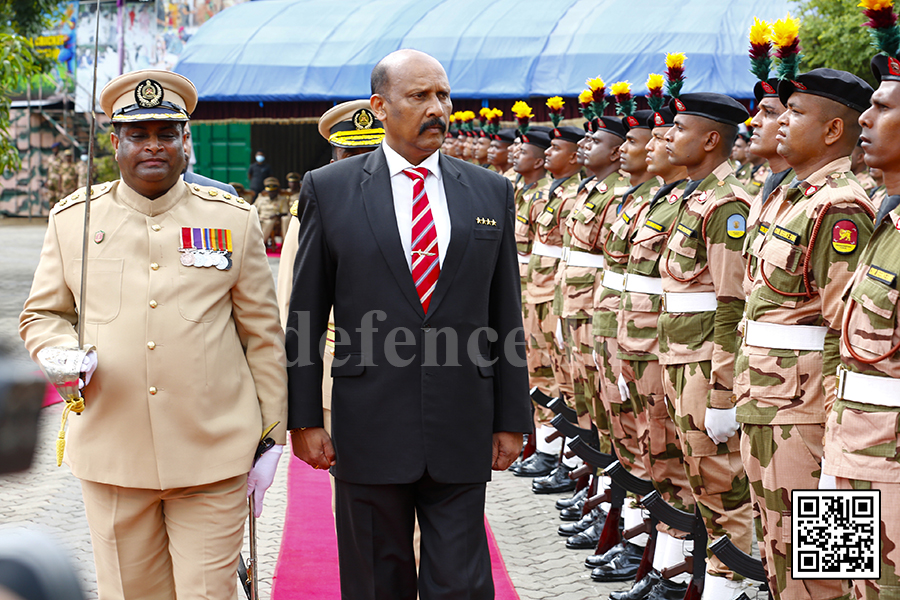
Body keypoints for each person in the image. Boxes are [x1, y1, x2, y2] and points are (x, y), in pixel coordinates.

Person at [19, 69, 287, 600]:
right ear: (115, 143)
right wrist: (60, 353)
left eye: (167, 133)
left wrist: (270, 437)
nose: (153, 146)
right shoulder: (73, 220)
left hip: (212, 453)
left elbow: (262, 335)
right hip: (113, 452)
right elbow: (43, 314)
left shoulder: (232, 219)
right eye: (138, 134)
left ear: (186, 141)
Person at [285, 49, 531, 600]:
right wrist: (303, 418)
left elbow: (504, 312)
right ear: (379, 106)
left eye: (442, 95)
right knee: (377, 582)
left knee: (462, 586)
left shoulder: (490, 192)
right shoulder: (331, 189)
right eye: (418, 96)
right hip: (367, 428)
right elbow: (305, 314)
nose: (436, 108)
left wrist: (512, 416)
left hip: (461, 427)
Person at [737, 68, 875, 600]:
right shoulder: (789, 197)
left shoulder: (839, 206)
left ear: (833, 131)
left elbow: (851, 334)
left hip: (810, 415)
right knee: (778, 556)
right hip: (770, 405)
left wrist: (840, 442)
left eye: (794, 114)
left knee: (823, 574)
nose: (777, 122)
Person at [658, 92, 754, 600]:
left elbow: (730, 301)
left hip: (706, 365)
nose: (668, 137)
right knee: (699, 477)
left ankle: (728, 586)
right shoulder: (694, 196)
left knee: (722, 484)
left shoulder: (726, 204)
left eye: (678, 127)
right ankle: (707, 578)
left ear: (711, 139)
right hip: (681, 358)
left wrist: (721, 389)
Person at [827, 47, 900, 600]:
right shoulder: (885, 219)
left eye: (880, 108)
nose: (865, 121)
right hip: (849, 440)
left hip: (890, 463)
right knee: (849, 588)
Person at [257, 176, 283, 246]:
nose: (271, 193)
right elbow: (254, 208)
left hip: (271, 220)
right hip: (260, 218)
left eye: (273, 191)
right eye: (270, 191)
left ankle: (260, 244)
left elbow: (284, 212)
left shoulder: (282, 199)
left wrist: (277, 215)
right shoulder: (261, 198)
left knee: (269, 222)